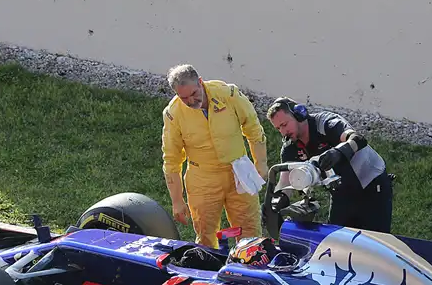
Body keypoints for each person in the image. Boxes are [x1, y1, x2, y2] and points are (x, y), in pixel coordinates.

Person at [161, 64, 268, 248]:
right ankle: (209, 270)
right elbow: (171, 159)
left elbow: (254, 130)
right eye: (183, 97)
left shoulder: (229, 94)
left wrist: (261, 165)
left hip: (238, 170)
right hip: (203, 178)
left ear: (201, 82)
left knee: (250, 231)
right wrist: (177, 201)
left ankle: (251, 270)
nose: (190, 100)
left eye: (194, 93)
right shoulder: (173, 113)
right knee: (205, 233)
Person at [266, 97, 394, 233]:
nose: (283, 132)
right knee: (336, 241)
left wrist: (338, 152)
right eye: (278, 128)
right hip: (341, 193)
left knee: (376, 242)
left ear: (299, 114)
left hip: (371, 186)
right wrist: (277, 202)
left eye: (284, 124)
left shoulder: (325, 123)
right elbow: (285, 182)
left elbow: (358, 139)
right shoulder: (289, 147)